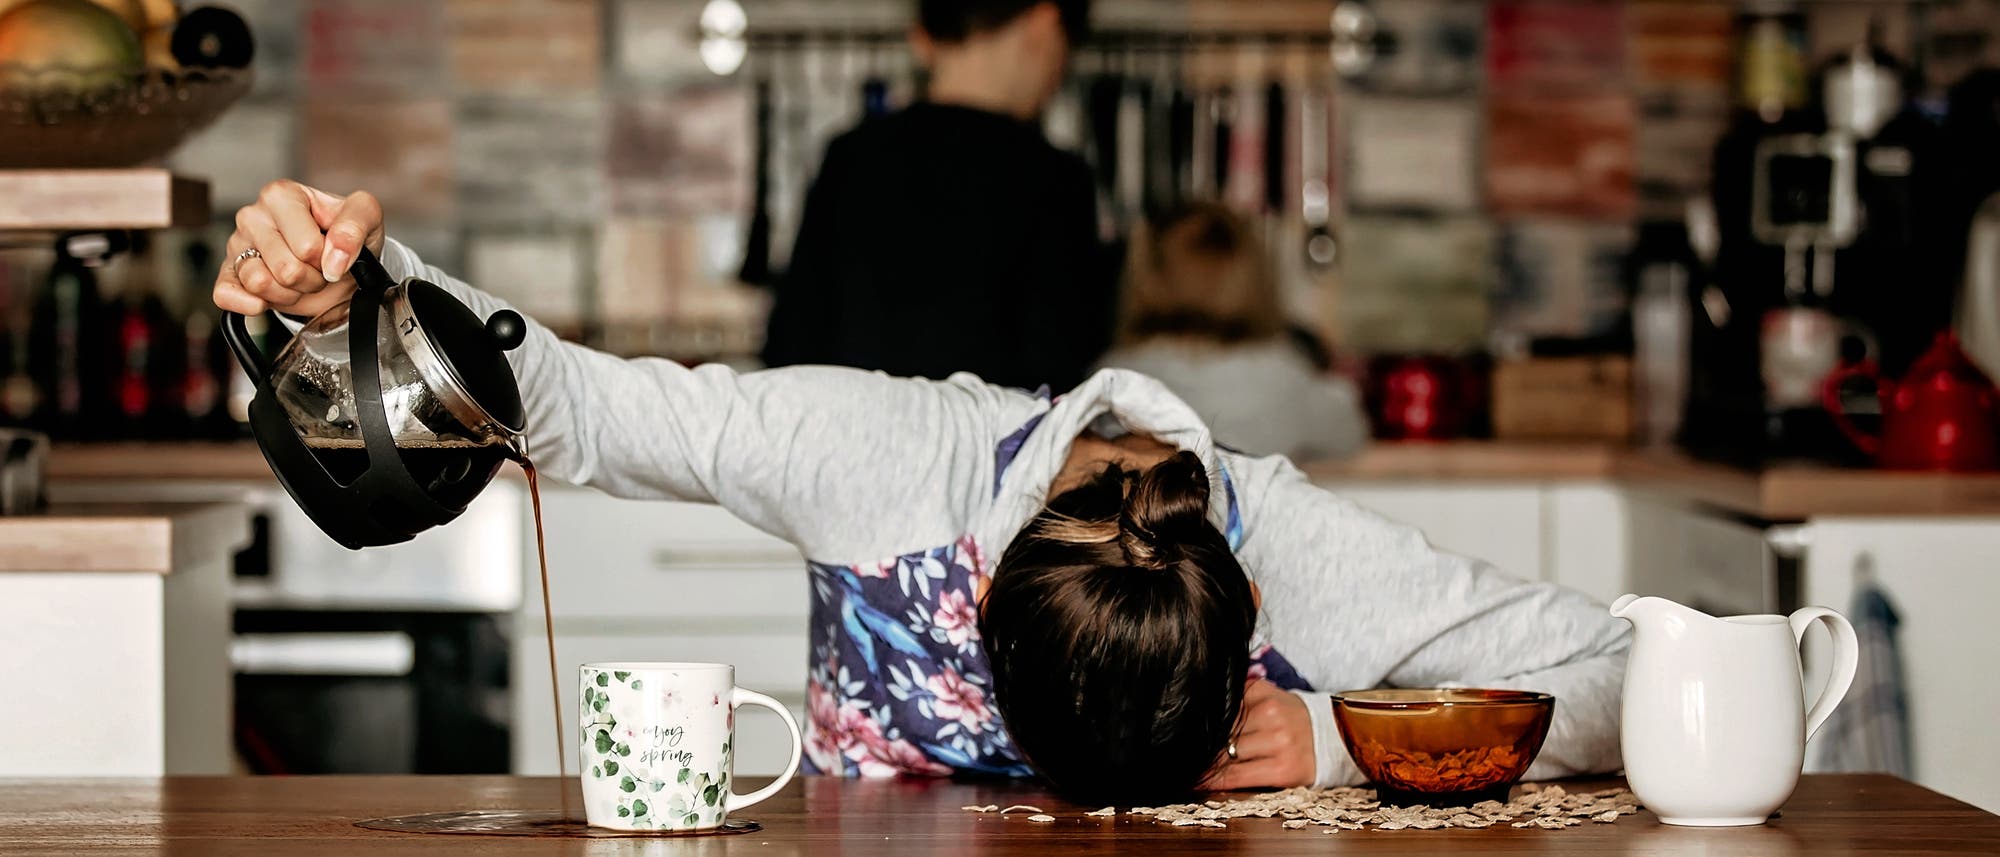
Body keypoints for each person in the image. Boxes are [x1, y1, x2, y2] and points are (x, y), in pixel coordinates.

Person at [214, 182, 1630, 804]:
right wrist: (353, 293)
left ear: (1254, 603)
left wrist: (1339, 738)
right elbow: (580, 403)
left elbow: (1630, 665)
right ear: (985, 568)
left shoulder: (1308, 548)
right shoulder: (887, 457)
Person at [759, 0, 1115, 394]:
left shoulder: (850, 158)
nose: (1058, 74)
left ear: (924, 40)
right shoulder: (1056, 179)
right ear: (1044, 26)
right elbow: (1059, 368)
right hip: (993, 452)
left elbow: (790, 348)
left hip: (851, 446)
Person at [1098, 203, 1368, 460]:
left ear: (1146, 277)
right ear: (1253, 275)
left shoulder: (1112, 382)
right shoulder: (1284, 377)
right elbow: (1349, 431)